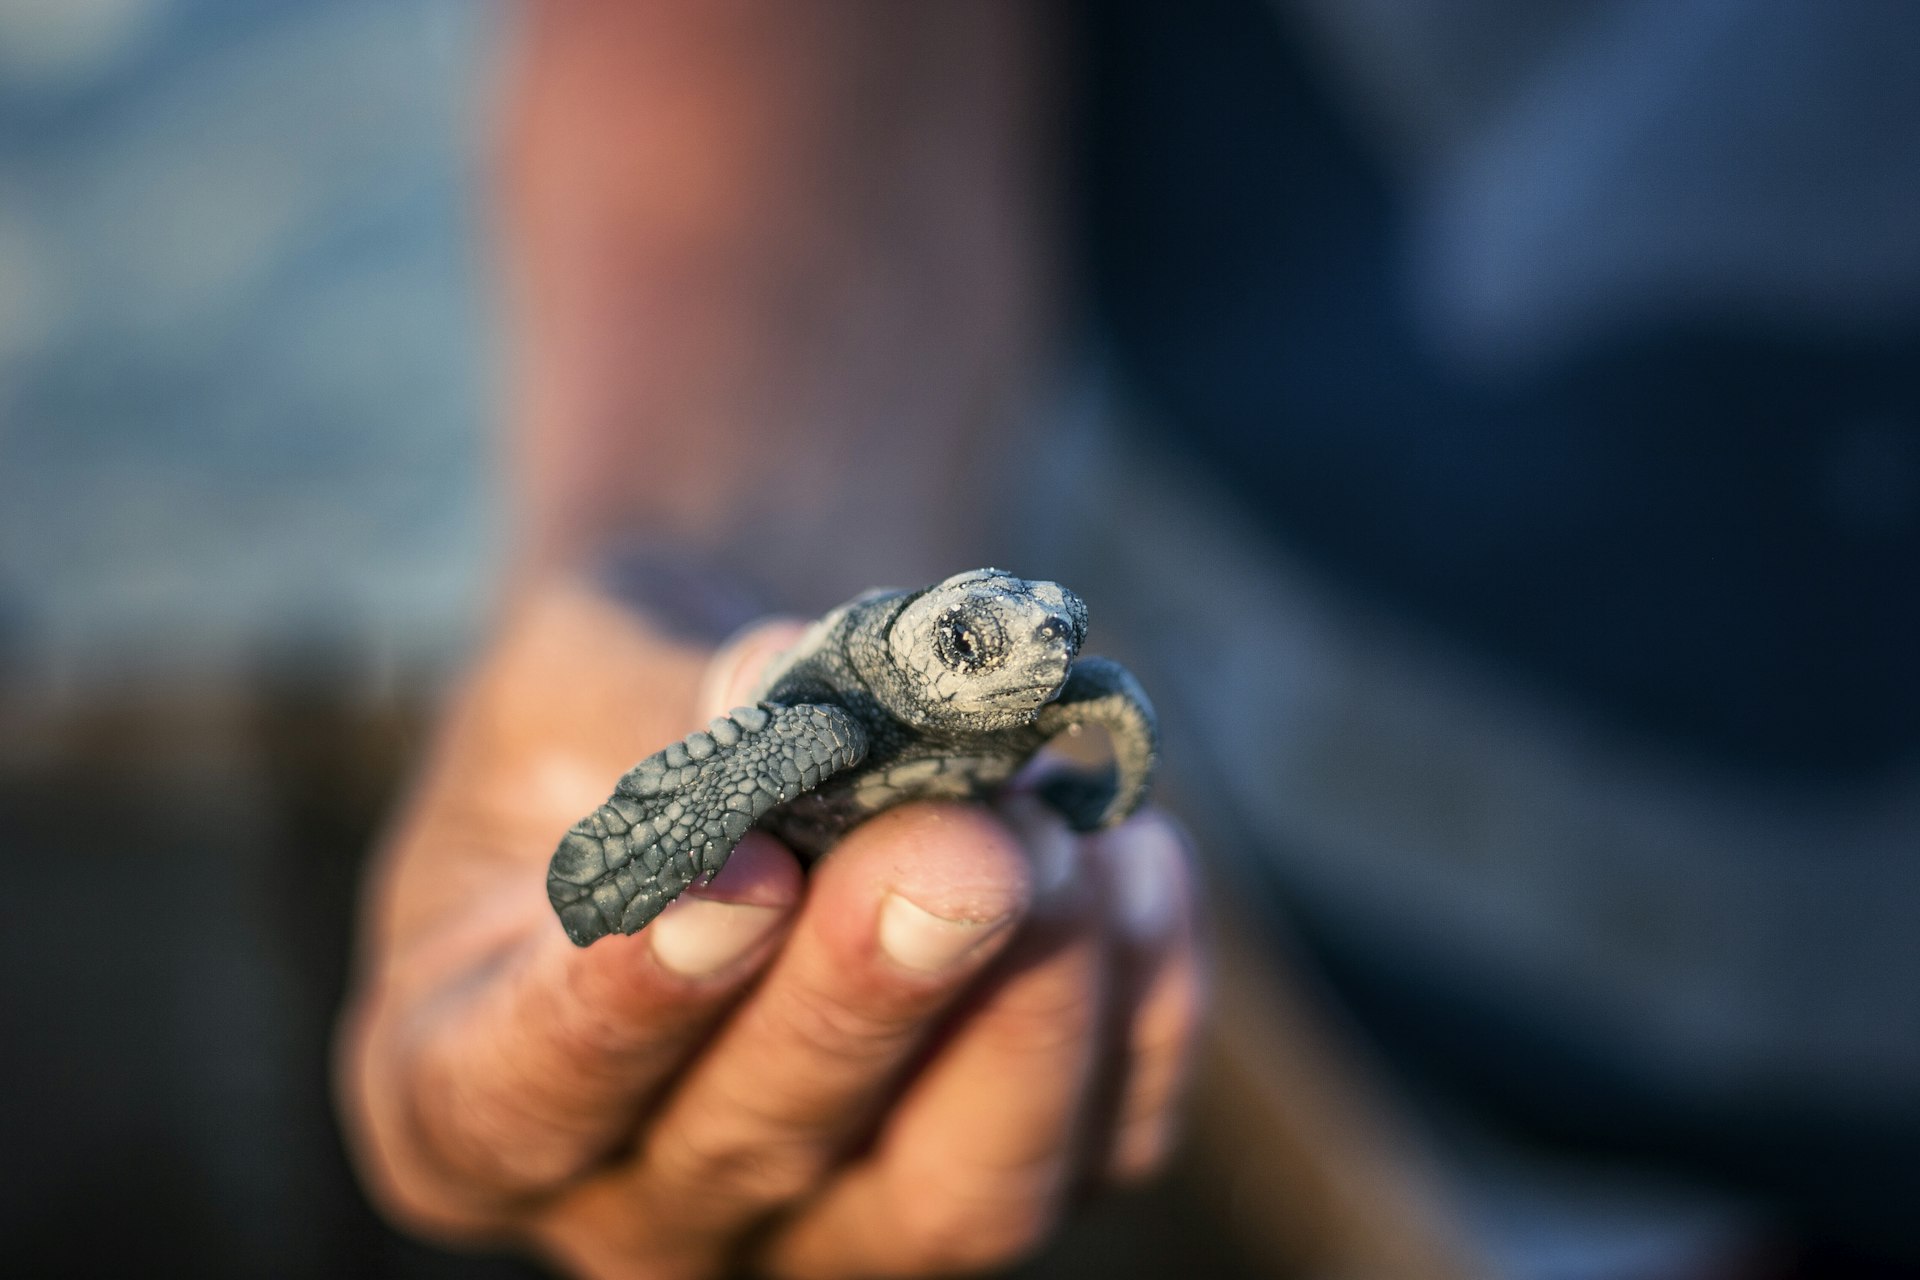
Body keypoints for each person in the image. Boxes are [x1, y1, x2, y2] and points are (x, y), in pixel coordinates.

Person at [338, 2, 1920, 1276]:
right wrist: (695, 574)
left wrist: (1090, 774)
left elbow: (1085, 705)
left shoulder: (1045, 679)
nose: (1028, 657)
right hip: (1430, 1082)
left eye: (1036, 644)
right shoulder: (839, 707)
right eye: (988, 644)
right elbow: (769, 721)